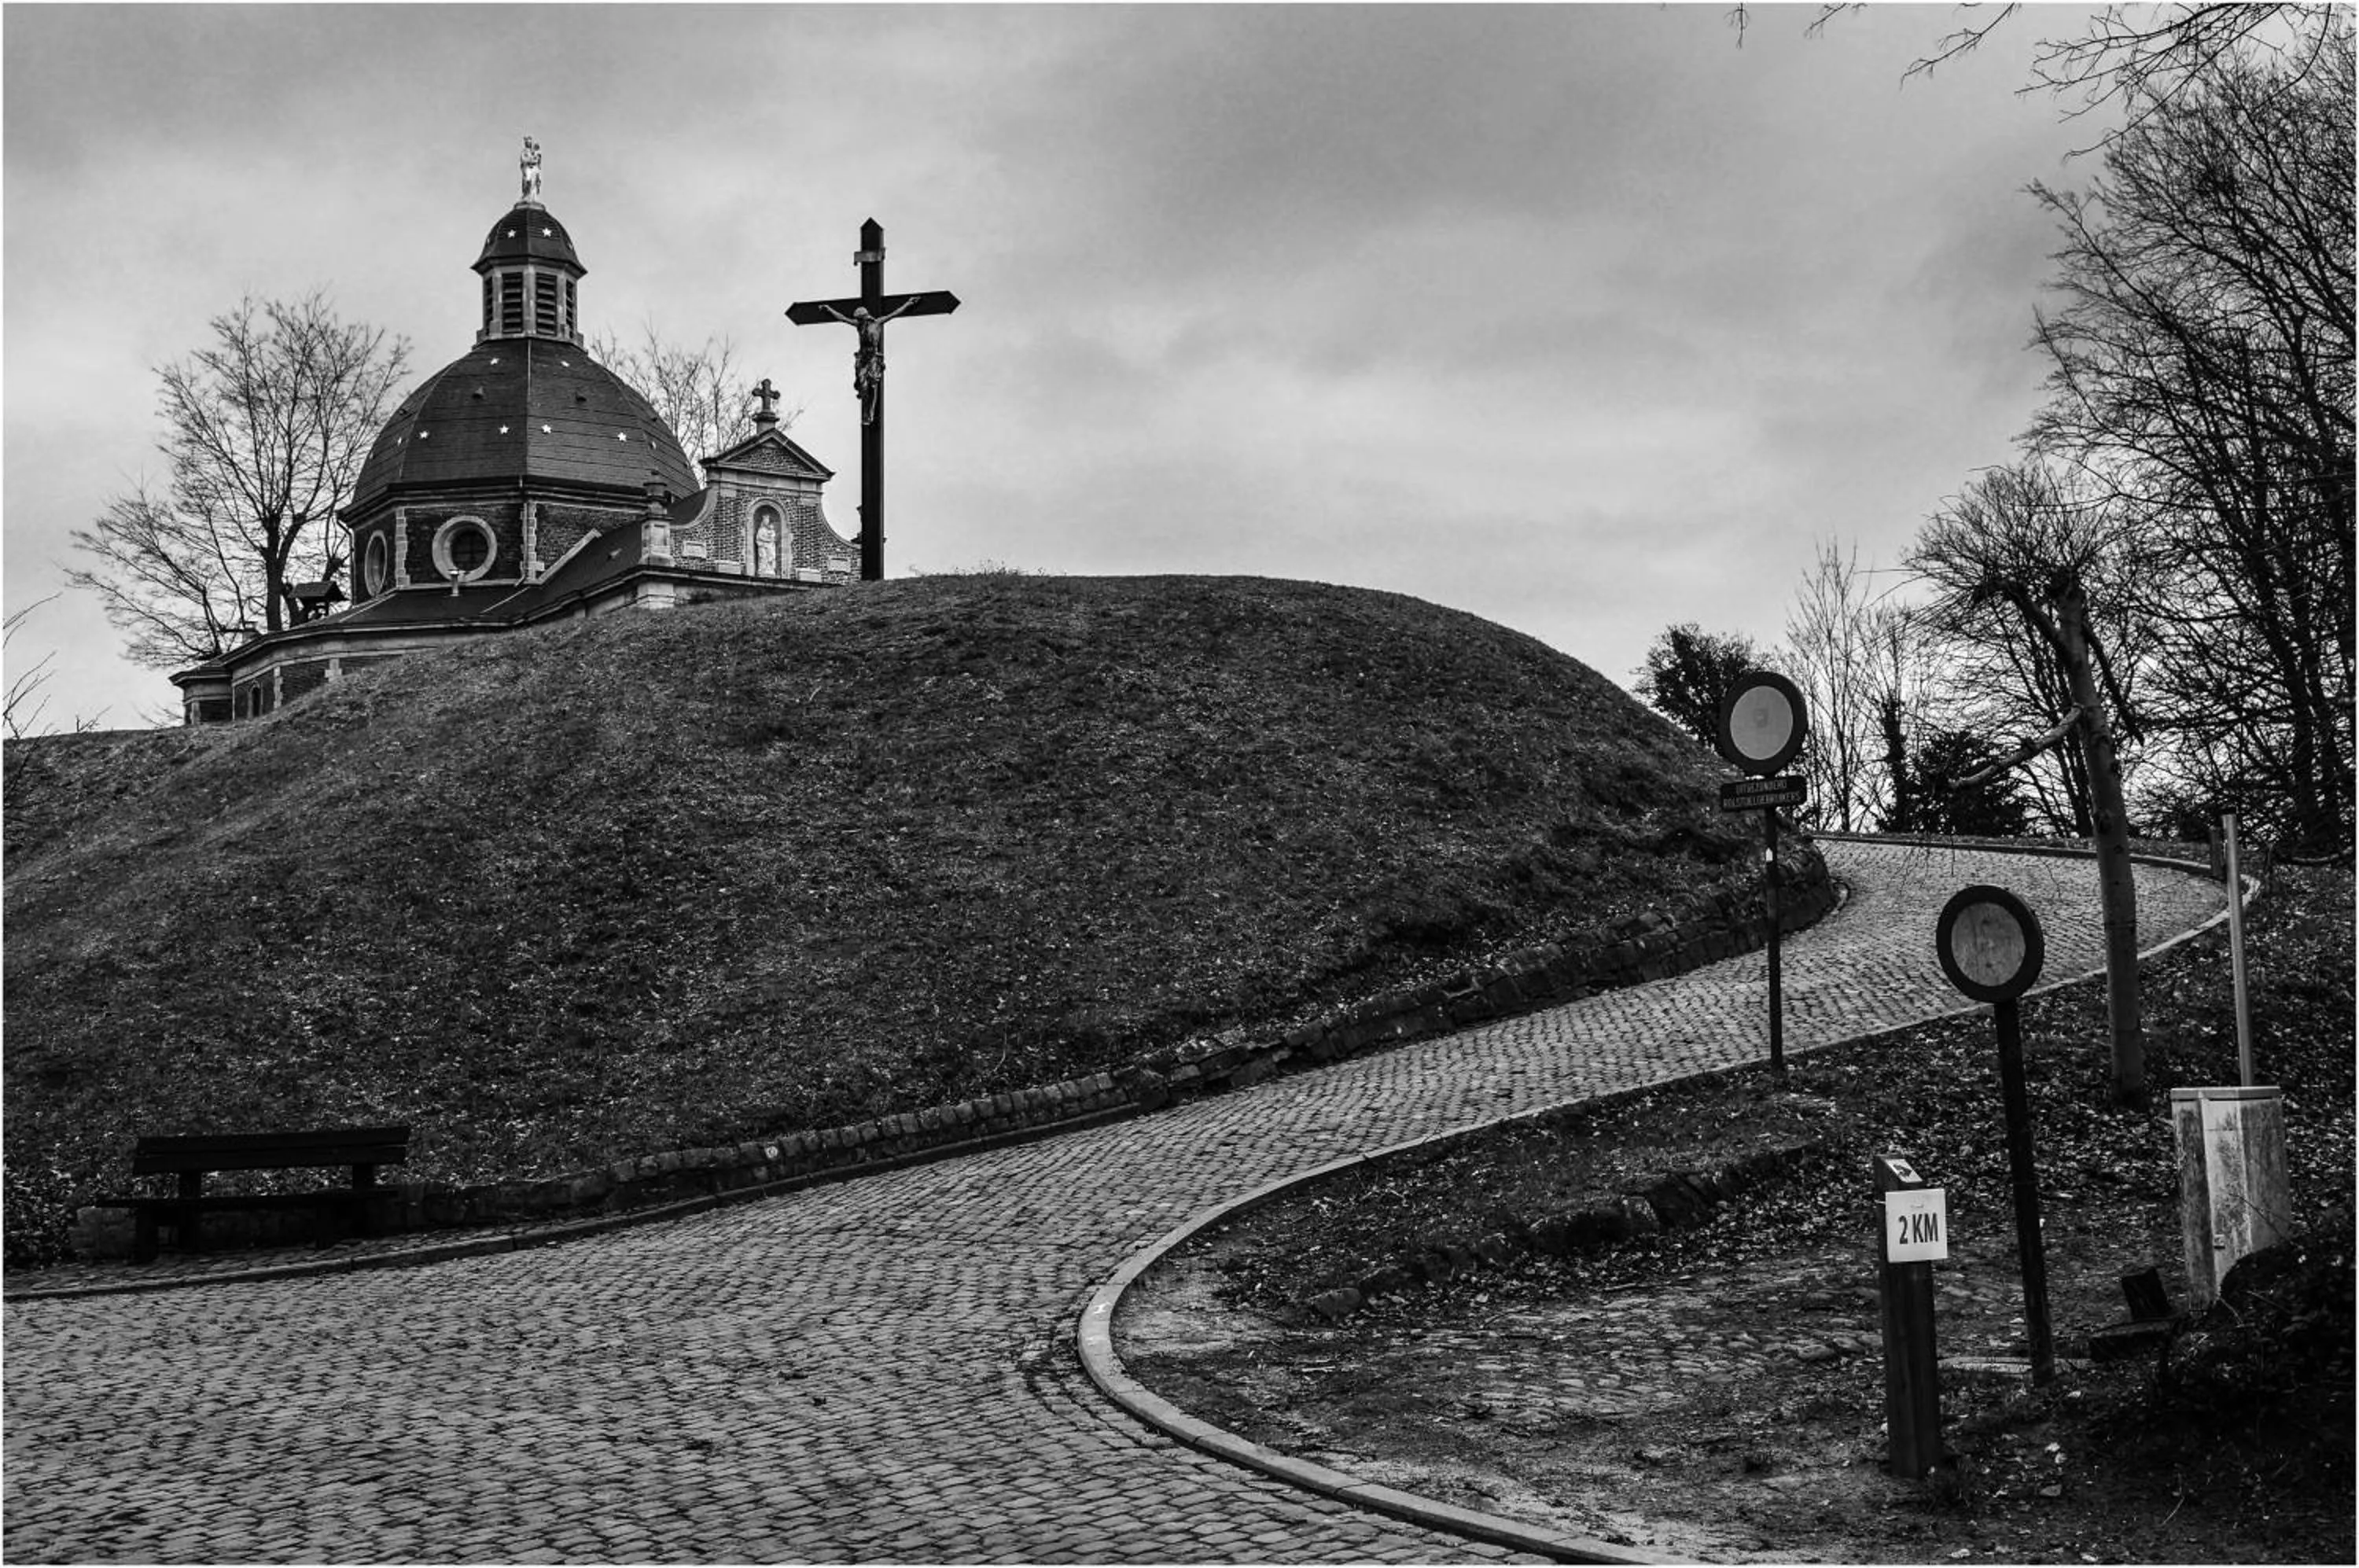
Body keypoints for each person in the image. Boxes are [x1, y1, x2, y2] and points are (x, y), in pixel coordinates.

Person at [820, 298, 920, 424]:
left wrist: (908, 303)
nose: (859, 322)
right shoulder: (859, 325)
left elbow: (895, 313)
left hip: (873, 358)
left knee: (872, 385)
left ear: (865, 317)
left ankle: (870, 413)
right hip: (862, 358)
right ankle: (867, 412)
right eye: (858, 320)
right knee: (863, 386)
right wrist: (829, 309)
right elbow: (842, 318)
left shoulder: (877, 323)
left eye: (860, 319)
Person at [521, 137, 543, 201]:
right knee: (528, 180)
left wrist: (537, 158)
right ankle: (527, 194)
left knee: (535, 181)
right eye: (528, 142)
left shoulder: (533, 151)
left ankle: (533, 196)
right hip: (528, 168)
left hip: (534, 169)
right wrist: (530, 160)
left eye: (530, 142)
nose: (529, 144)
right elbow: (523, 159)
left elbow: (537, 159)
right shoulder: (524, 151)